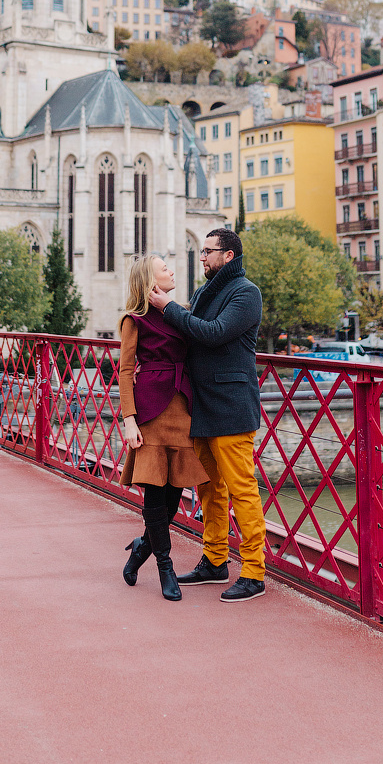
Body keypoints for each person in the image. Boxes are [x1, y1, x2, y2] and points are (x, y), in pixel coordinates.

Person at [149, 228, 267, 604]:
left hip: (231, 405)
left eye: (208, 252)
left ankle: (254, 572)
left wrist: (168, 309)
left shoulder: (246, 293)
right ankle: (215, 560)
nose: (201, 258)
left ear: (228, 256)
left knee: (242, 490)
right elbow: (188, 334)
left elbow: (213, 334)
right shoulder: (205, 291)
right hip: (202, 404)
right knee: (208, 489)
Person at [118, 254, 208, 602]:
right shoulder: (134, 319)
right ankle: (164, 566)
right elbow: (126, 371)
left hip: (183, 406)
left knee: (174, 496)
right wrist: (128, 419)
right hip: (150, 410)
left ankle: (141, 546)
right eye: (164, 267)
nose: (172, 270)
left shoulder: (181, 312)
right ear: (149, 279)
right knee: (155, 492)